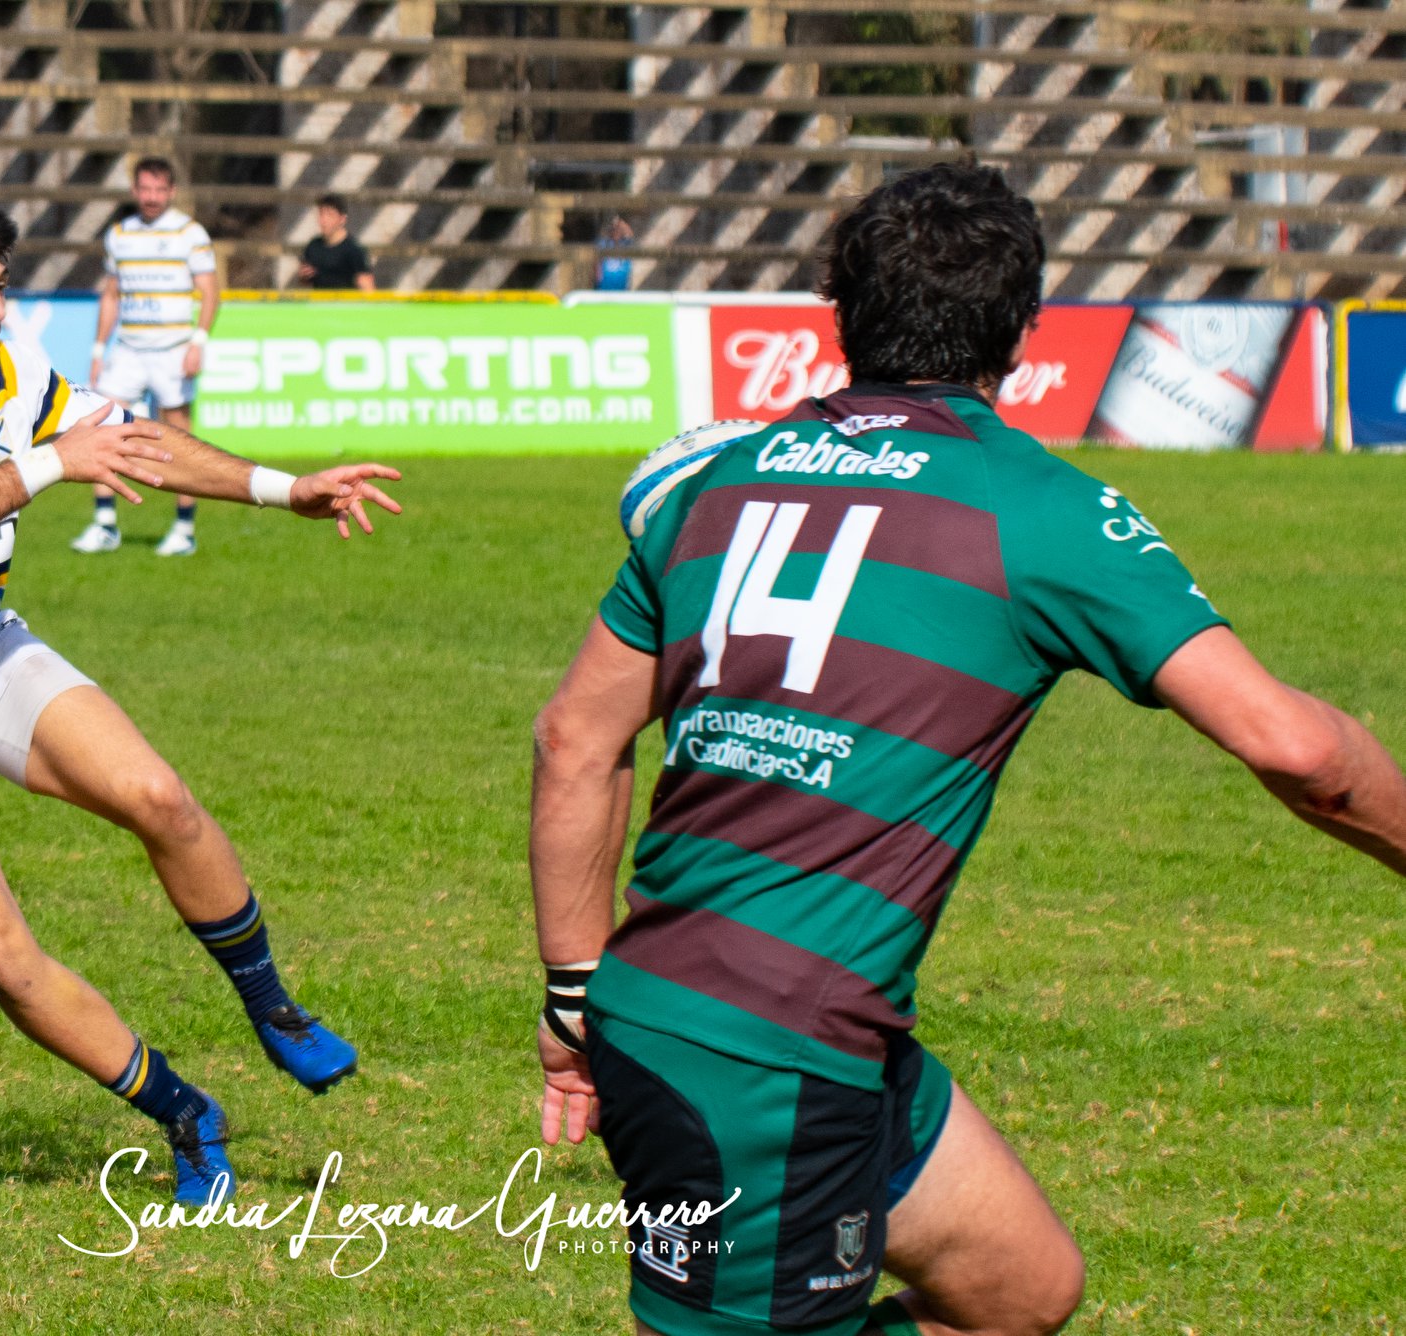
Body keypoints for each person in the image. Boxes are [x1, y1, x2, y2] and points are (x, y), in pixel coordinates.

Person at [528, 161, 1406, 1336]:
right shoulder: (1039, 511)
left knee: (1016, 1286)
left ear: (839, 313)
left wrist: (577, 992)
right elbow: (1303, 750)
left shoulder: (712, 484)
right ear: (1026, 329)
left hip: (734, 1019)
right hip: (763, 1058)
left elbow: (573, 742)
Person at [0, 186, 402, 1207]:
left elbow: (138, 441)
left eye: (2, 287)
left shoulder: (10, 371)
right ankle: (184, 1112)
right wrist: (52, 463)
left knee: (161, 799)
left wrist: (290, 491)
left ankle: (275, 1008)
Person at [74, 157, 216, 557]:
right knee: (102, 430)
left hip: (172, 349)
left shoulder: (190, 233)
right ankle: (105, 525)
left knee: (182, 440)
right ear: (135, 191)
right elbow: (112, 294)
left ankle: (184, 530)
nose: (151, 197)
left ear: (170, 192)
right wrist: (99, 349)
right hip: (130, 350)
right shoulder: (120, 234)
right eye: (145, 189)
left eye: (159, 189)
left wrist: (199, 342)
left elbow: (211, 291)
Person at [296, 194, 376, 292]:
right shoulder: (313, 246)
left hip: (345, 306)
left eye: (329, 215)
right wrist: (303, 276)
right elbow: (305, 281)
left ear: (342, 219)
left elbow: (368, 288)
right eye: (321, 214)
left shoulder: (354, 250)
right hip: (320, 305)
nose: (324, 220)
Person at [594, 215, 634, 292]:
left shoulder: (625, 243)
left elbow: (631, 235)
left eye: (619, 228)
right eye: (615, 228)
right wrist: (598, 276)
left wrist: (622, 224)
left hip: (621, 282)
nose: (617, 231)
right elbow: (597, 261)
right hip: (605, 281)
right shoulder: (603, 242)